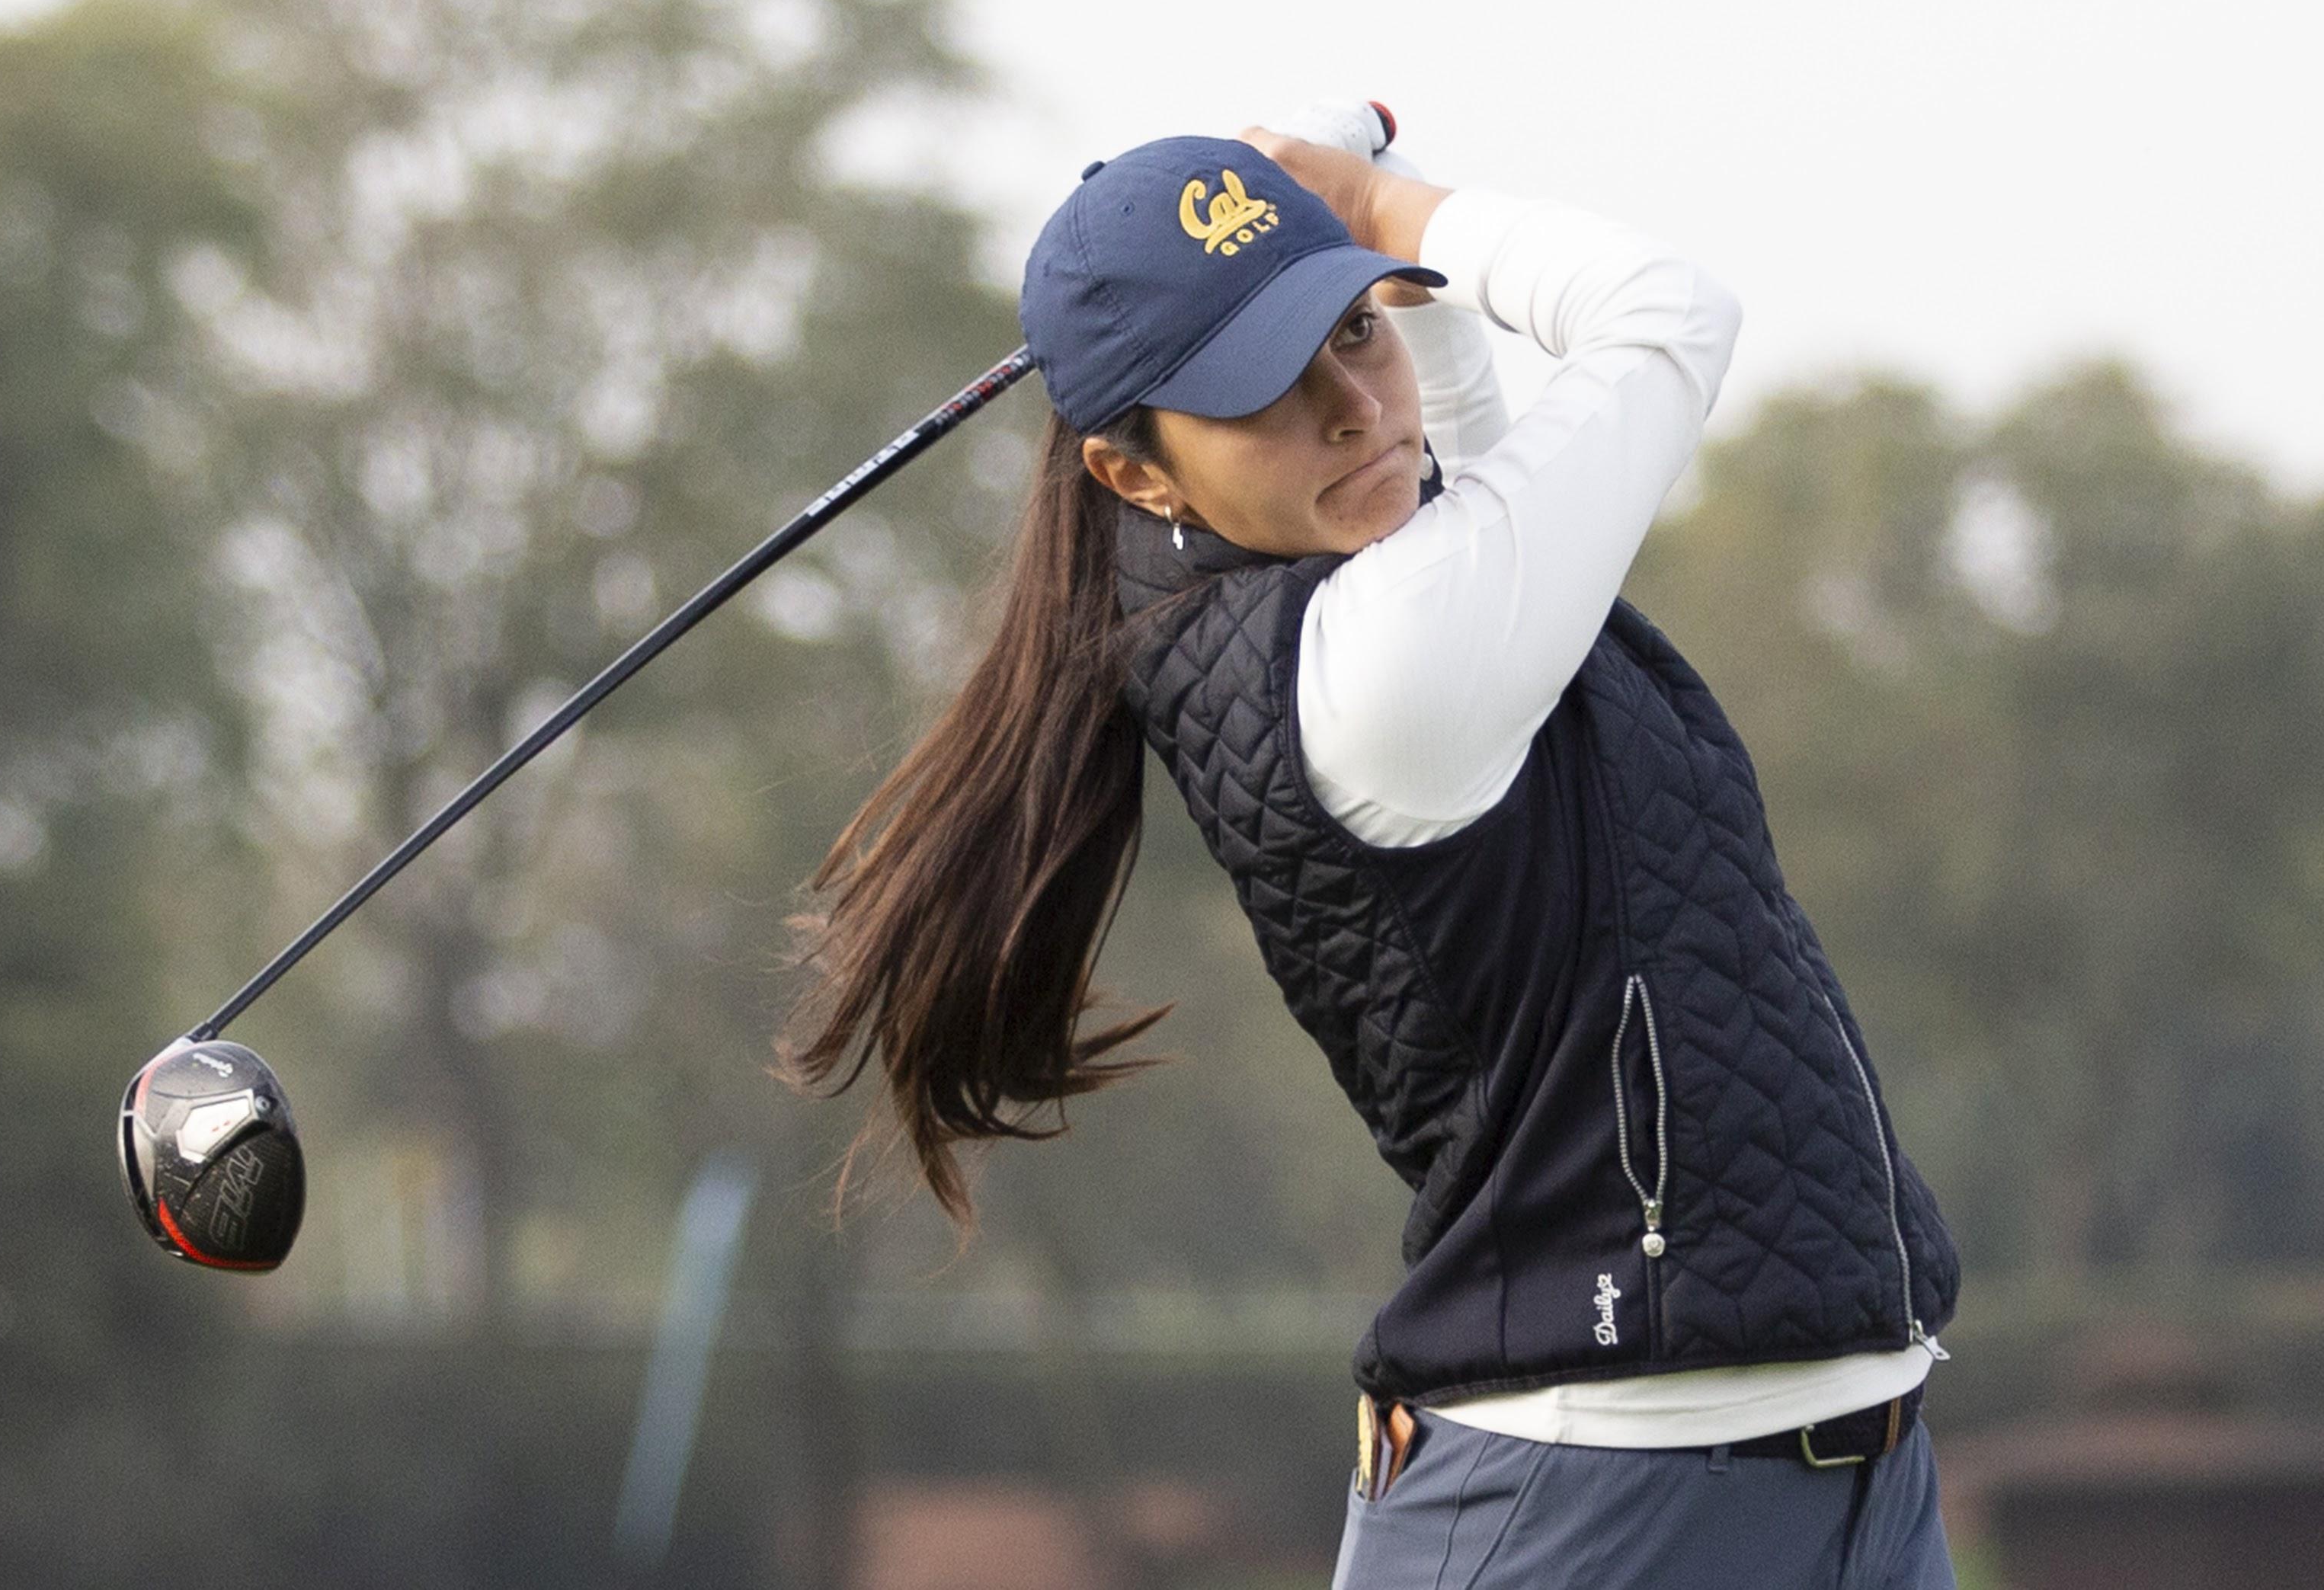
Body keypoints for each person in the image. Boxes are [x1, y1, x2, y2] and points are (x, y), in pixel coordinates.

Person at [780, 101, 1961, 1587]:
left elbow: (1453, 461)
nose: (1347, 403)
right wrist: (1388, 208)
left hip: (1843, 1475)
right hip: (1587, 1498)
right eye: (1261, 386)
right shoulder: (1375, 671)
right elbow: (1664, 316)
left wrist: (1388, 262)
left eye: (1352, 331)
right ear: (1134, 474)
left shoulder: (1383, 579)